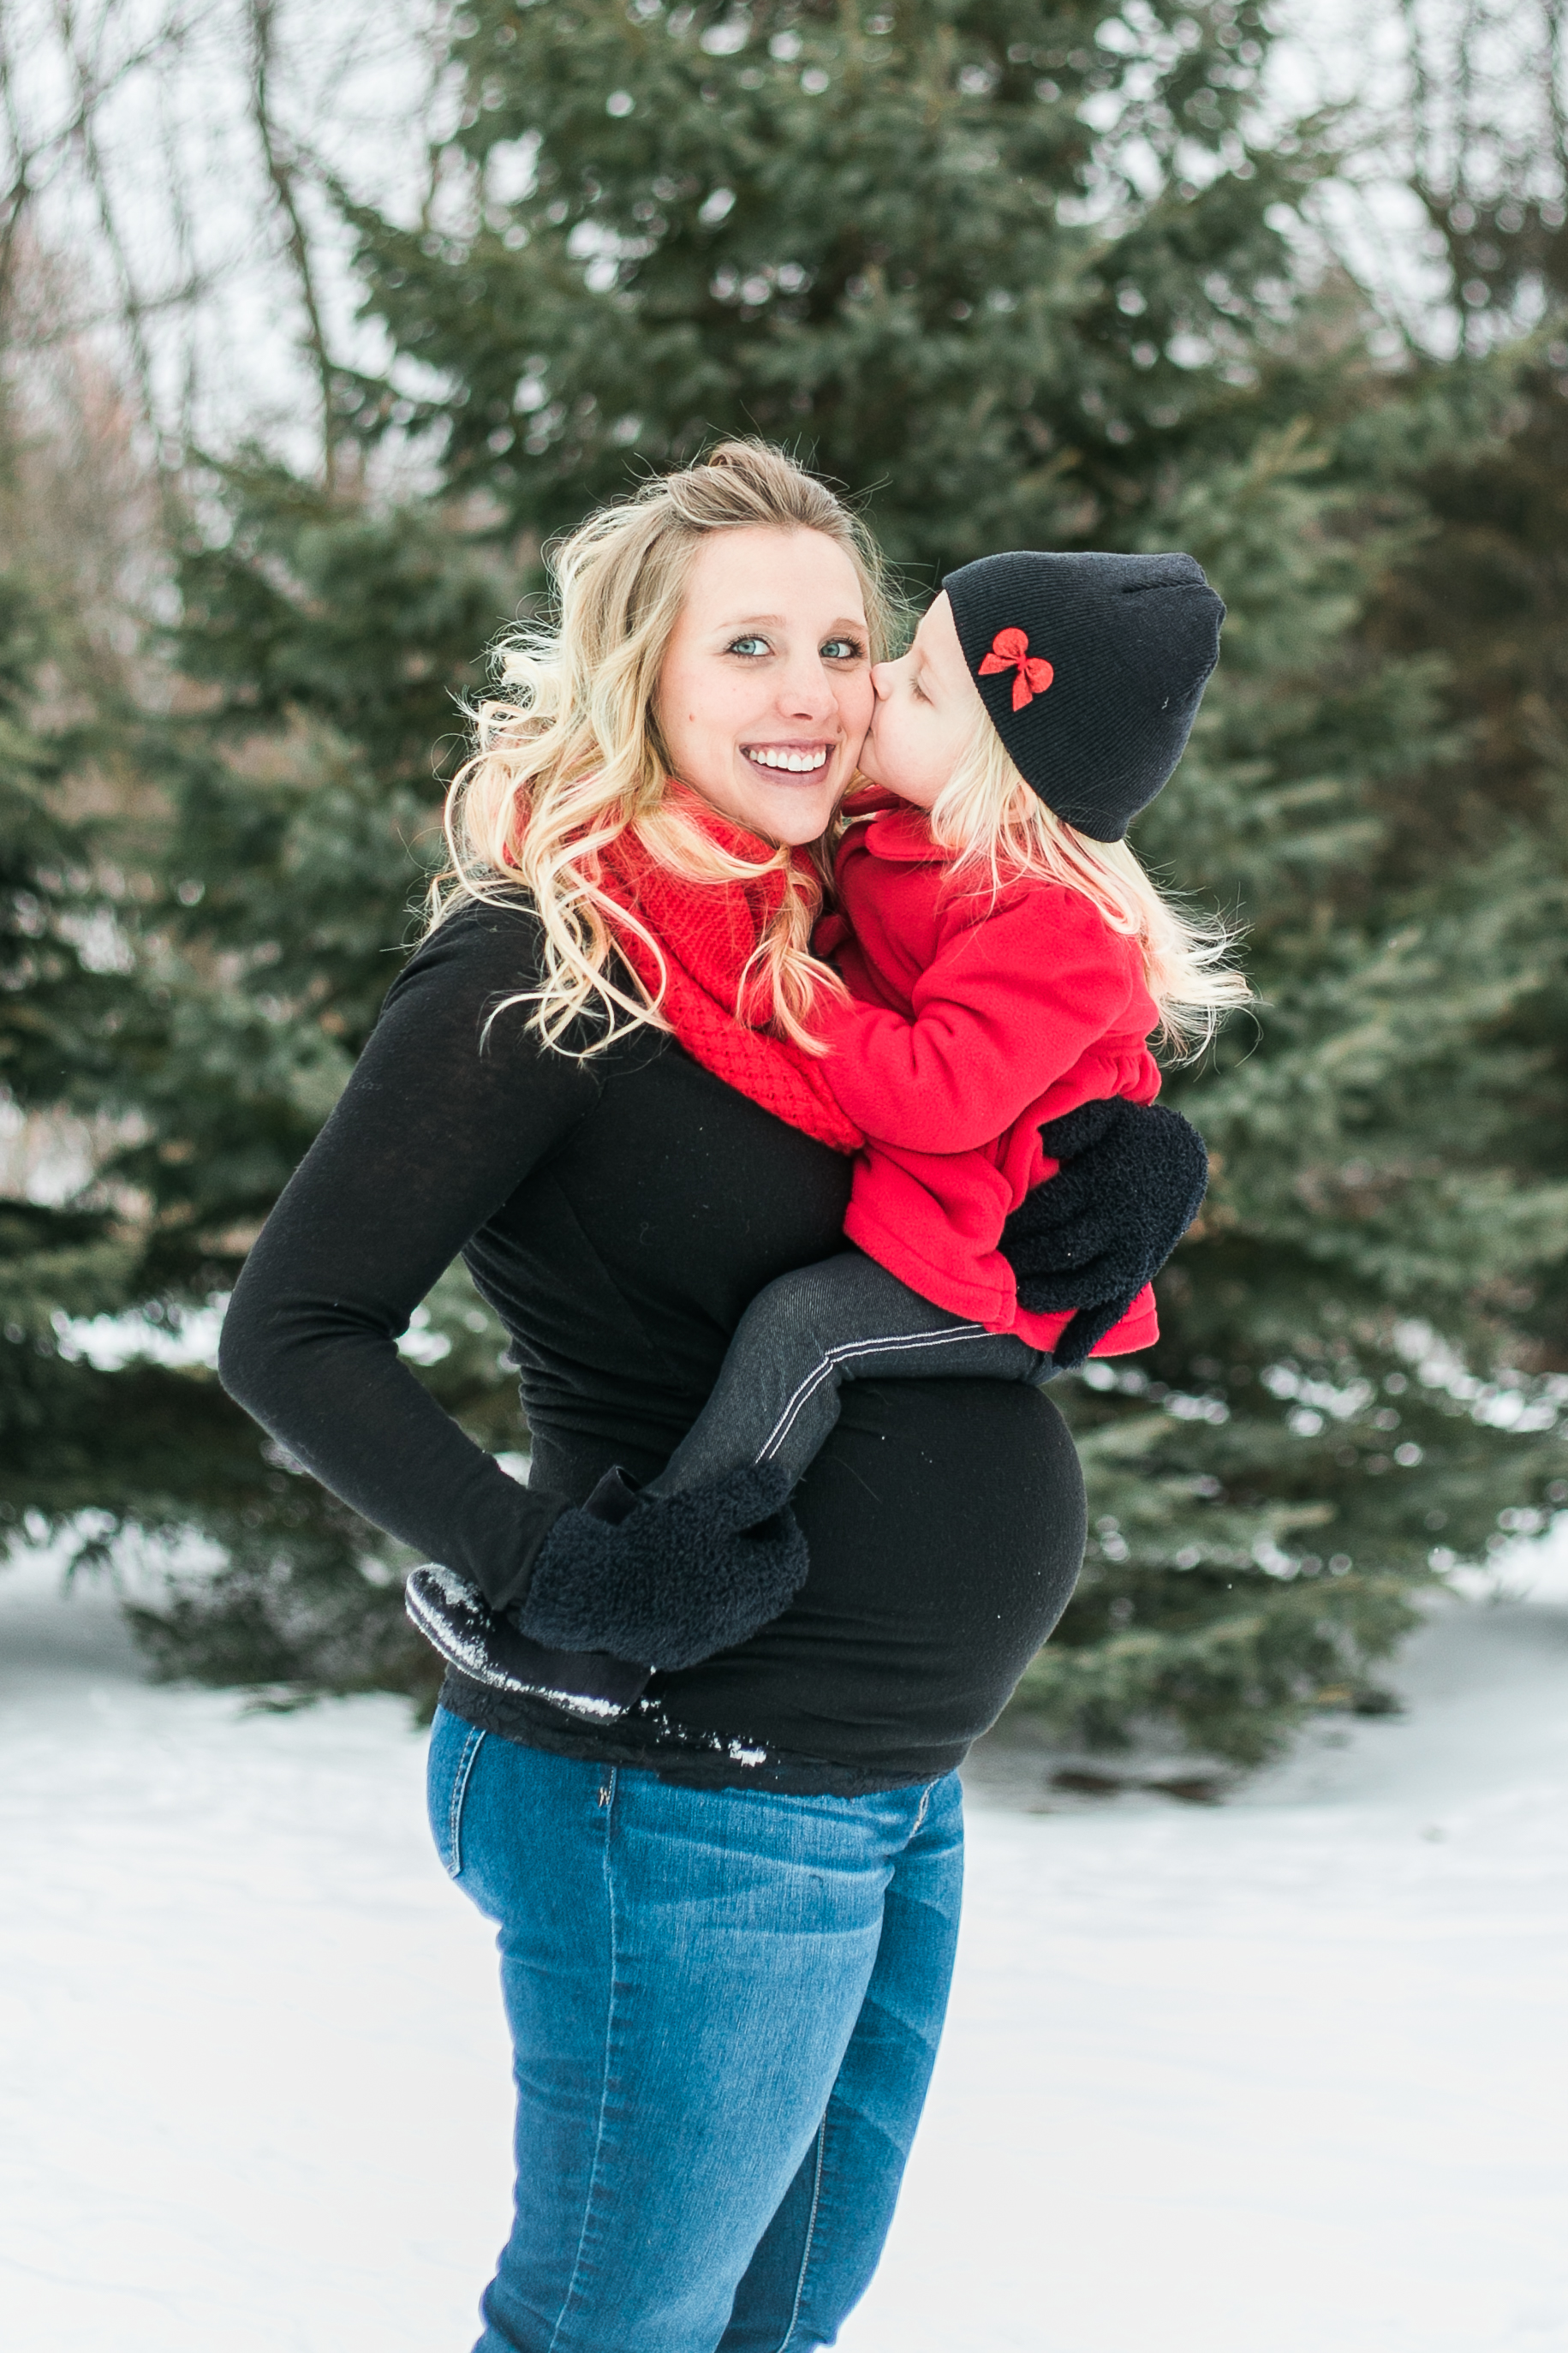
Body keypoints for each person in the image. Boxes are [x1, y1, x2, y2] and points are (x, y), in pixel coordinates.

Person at [218, 443, 1213, 2353]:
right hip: (668, 1784)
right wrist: (545, 1569)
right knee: (621, 2332)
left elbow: (978, 1141)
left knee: (773, 2327)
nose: (814, 693)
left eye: (845, 642)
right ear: (639, 677)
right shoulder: (545, 963)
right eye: (744, 644)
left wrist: (1133, 1163)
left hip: (880, 1786)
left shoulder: (836, 926)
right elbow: (294, 1331)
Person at [408, 546, 1238, 1705]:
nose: (875, 684)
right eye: (890, 651)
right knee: (809, 1323)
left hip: (1001, 1267)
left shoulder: (1046, 918)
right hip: (945, 1241)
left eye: (920, 679)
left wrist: (801, 1000)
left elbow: (944, 1090)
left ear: (1006, 769)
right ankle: (621, 1592)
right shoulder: (888, 833)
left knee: (812, 1329)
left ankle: (640, 1607)